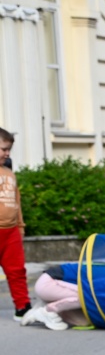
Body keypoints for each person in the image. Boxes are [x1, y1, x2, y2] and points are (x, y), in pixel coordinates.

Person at [1, 128, 33, 323]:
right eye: (4, 149)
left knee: (17, 270)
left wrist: (20, 226)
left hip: (11, 231)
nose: (7, 153)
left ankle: (22, 306)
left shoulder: (9, 173)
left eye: (9, 149)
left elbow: (17, 200)